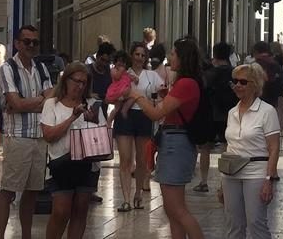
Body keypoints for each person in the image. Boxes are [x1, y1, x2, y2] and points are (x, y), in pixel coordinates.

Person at [127, 37, 206, 239]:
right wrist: (165, 97)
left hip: (176, 143)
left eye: (173, 53)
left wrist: (137, 96)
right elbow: (169, 109)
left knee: (176, 208)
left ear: (182, 57)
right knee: (172, 210)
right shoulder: (188, 82)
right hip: (175, 141)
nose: (170, 57)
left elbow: (155, 114)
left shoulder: (186, 83)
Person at [0, 25, 54, 239]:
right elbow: (15, 104)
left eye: (34, 42)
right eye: (26, 41)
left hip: (39, 137)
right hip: (17, 137)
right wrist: (38, 100)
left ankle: (26, 235)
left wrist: (26, 103)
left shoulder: (42, 68)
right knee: (9, 190)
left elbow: (49, 101)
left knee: (31, 193)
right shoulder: (8, 68)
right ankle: (0, 236)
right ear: (17, 43)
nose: (31, 46)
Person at [40, 62, 105, 239]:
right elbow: (48, 135)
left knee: (80, 210)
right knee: (61, 211)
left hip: (87, 165)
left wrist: (92, 121)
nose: (80, 86)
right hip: (61, 164)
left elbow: (102, 136)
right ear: (66, 80)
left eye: (84, 82)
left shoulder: (92, 104)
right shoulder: (52, 104)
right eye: (76, 81)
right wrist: (73, 117)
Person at [216, 62, 280, 239]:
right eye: (234, 81)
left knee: (256, 223)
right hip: (231, 173)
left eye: (243, 82)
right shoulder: (232, 112)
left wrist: (269, 179)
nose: (237, 85)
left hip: (256, 173)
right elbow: (230, 146)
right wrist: (222, 182)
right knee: (233, 225)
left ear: (255, 85)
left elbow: (274, 148)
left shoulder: (267, 112)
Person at [112, 42, 161, 211]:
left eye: (142, 55)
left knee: (142, 159)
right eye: (137, 54)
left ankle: (138, 193)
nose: (139, 57)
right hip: (125, 115)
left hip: (144, 115)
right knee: (125, 159)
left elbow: (160, 93)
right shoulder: (123, 73)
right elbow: (113, 91)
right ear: (131, 55)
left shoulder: (152, 75)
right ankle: (126, 198)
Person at [196, 42, 236, 193]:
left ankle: (203, 181)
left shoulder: (211, 74)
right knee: (227, 148)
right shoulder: (234, 73)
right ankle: (224, 182)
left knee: (205, 148)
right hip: (229, 115)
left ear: (215, 55)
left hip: (211, 114)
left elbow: (203, 90)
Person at [86, 42, 114, 113]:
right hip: (88, 111)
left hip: (104, 111)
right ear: (97, 56)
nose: (104, 64)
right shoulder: (87, 70)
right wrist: (88, 94)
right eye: (102, 60)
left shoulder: (109, 71)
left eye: (107, 61)